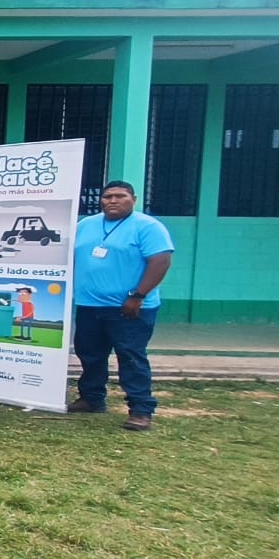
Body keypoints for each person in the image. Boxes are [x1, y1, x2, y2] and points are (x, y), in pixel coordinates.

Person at [70, 181, 174, 432]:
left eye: (120, 196)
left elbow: (160, 261)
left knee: (130, 356)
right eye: (107, 196)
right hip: (89, 304)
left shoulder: (148, 227)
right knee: (90, 353)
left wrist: (137, 295)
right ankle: (92, 398)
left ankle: (141, 409)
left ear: (133, 199)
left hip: (130, 307)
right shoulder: (86, 225)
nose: (113, 201)